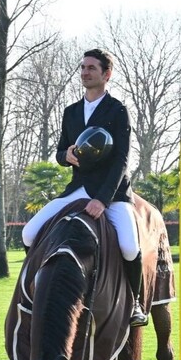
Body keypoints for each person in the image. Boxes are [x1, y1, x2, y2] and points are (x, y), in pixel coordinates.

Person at [21, 48, 147, 327]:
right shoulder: (71, 112)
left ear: (106, 74)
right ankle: (32, 294)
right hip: (77, 189)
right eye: (83, 67)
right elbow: (59, 151)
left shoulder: (118, 111)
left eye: (91, 68)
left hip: (112, 194)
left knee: (128, 246)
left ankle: (136, 303)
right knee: (29, 233)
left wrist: (102, 200)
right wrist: (64, 156)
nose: (85, 72)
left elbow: (122, 160)